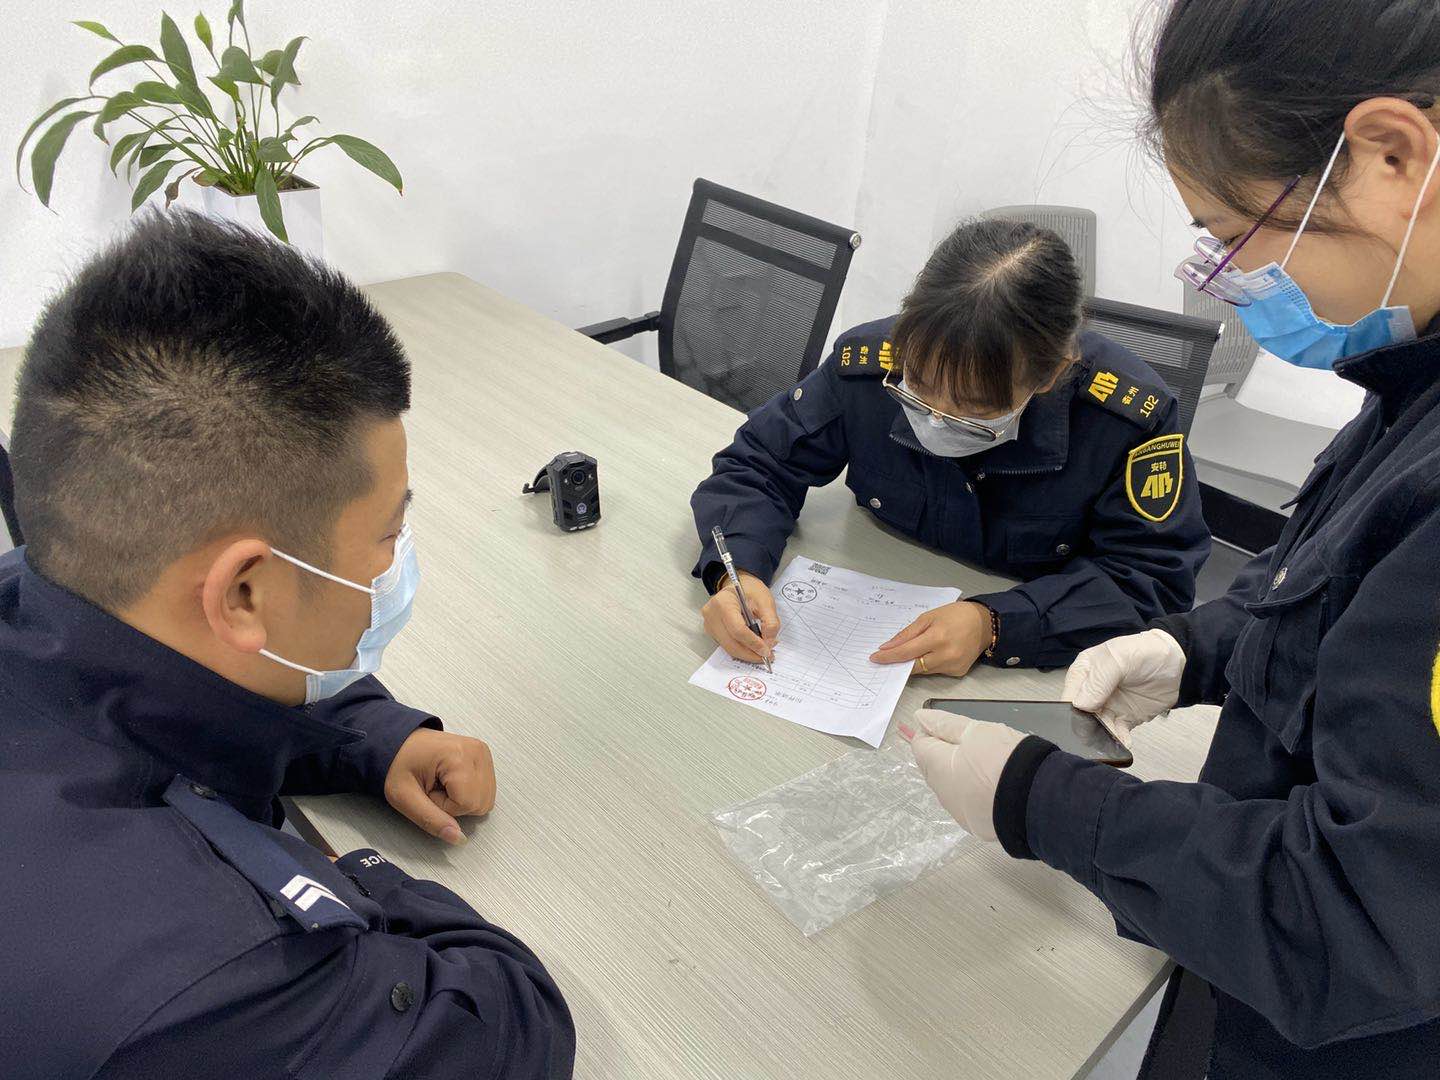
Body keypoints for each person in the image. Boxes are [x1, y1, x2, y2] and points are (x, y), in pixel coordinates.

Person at [909, 1, 1440, 1076]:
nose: (1233, 283)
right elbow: (1335, 592)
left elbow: (1359, 922)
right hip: (1245, 954)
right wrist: (1197, 649)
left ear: (1391, 157)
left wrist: (1042, 802)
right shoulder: (1411, 379)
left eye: (1235, 234)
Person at [0, 211, 575, 1079]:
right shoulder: (209, 992)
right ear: (244, 593)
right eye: (389, 534)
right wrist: (353, 870)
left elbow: (187, 683)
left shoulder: (51, 585)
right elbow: (507, 1023)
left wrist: (371, 738)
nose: (396, 564)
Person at [690, 218, 1209, 676]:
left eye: (975, 407)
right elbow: (760, 463)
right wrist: (738, 571)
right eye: (916, 386)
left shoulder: (1125, 420)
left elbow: (1152, 578)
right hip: (877, 586)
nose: (936, 417)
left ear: (1051, 373)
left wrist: (995, 626)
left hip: (1031, 668)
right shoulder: (869, 364)